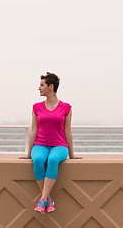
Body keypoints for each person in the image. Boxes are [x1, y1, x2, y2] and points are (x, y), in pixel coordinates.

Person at [19, 72, 81, 214]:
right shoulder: (36, 107)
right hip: (40, 145)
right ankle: (46, 199)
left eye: (42, 85)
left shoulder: (66, 108)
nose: (38, 88)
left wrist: (72, 155)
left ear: (51, 87)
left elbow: (67, 132)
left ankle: (43, 199)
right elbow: (33, 131)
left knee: (53, 160)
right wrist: (29, 154)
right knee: (39, 159)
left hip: (60, 146)